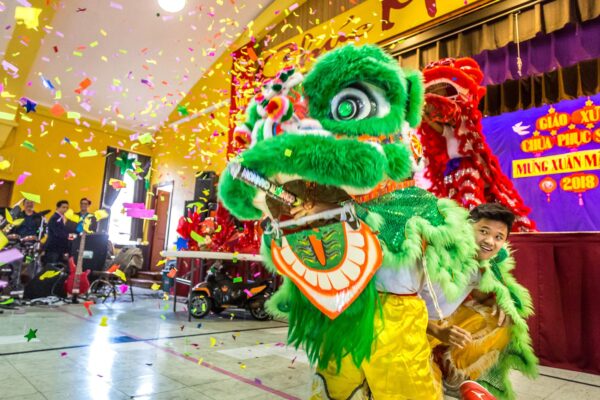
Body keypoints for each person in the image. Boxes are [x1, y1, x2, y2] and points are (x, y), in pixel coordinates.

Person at [422, 203, 537, 400]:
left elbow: (479, 296)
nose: (490, 241)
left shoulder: (484, 265)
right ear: (468, 227)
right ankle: (432, 367)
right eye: (484, 231)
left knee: (502, 320)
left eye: (498, 237)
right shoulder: (435, 253)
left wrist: (498, 302)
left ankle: (457, 376)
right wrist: (436, 331)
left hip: (443, 324)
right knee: (423, 391)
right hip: (406, 328)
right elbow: (398, 308)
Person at [44, 200, 71, 265]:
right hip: (53, 248)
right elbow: (58, 233)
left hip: (59, 248)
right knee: (52, 268)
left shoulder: (62, 218)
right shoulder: (55, 218)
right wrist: (69, 235)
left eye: (67, 208)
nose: (65, 209)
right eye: (63, 207)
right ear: (58, 208)